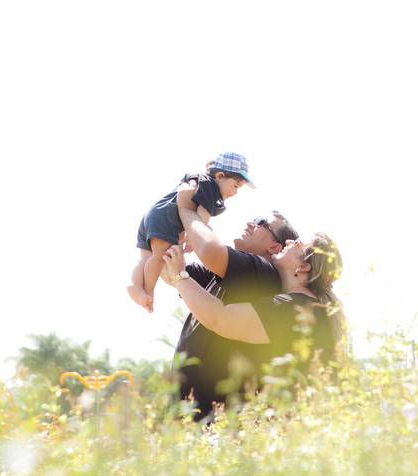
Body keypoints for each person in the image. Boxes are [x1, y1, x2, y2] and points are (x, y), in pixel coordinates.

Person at [161, 232, 347, 412]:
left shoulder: (294, 308)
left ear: (304, 266)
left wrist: (179, 275)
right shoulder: (309, 308)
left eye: (297, 243)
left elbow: (220, 318)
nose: (289, 241)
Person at [171, 184, 300, 420]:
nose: (251, 223)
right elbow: (172, 272)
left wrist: (185, 208)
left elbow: (208, 248)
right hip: (191, 419)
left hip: (217, 423)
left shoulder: (262, 274)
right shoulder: (229, 274)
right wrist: (167, 233)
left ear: (275, 247)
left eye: (261, 222)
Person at [127, 152, 254, 313]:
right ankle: (148, 291)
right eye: (236, 186)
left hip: (154, 215)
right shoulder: (211, 187)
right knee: (160, 257)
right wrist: (193, 238)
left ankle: (134, 286)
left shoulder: (198, 179)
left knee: (145, 258)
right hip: (167, 218)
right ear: (220, 176)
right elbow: (202, 216)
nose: (235, 192)